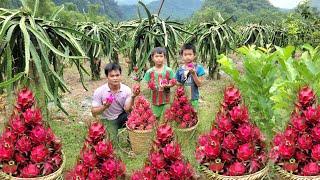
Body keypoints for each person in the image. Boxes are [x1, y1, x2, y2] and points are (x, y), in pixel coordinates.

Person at [91, 63, 140, 144]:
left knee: (134, 115)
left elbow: (127, 109)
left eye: (117, 75)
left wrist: (133, 96)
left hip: (120, 118)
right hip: (106, 120)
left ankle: (131, 138)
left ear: (120, 75)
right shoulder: (99, 91)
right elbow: (93, 112)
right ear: (107, 77)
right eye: (112, 76)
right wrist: (104, 106)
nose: (115, 78)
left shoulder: (126, 90)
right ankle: (107, 133)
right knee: (112, 145)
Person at [143, 47, 176, 120]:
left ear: (164, 57)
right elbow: (146, 84)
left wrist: (168, 85)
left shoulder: (169, 70)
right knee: (156, 117)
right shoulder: (149, 72)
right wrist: (151, 86)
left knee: (166, 118)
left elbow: (173, 82)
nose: (159, 58)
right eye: (156, 56)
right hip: (155, 99)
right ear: (152, 58)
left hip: (166, 99)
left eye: (161, 56)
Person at [175, 43, 205, 111]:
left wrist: (194, 74)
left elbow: (199, 84)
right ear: (182, 56)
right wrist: (173, 82)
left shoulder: (198, 68)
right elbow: (179, 84)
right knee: (184, 116)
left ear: (194, 55)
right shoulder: (180, 69)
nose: (188, 57)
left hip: (194, 98)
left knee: (194, 115)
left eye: (190, 54)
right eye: (185, 55)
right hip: (183, 98)